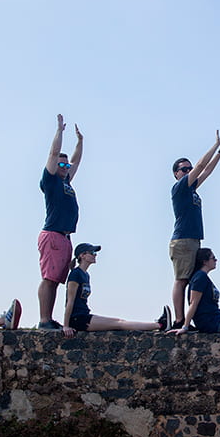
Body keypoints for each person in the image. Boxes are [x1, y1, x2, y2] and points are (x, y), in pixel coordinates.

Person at [169, 131, 220, 328]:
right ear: (177, 173)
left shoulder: (192, 189)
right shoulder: (180, 188)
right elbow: (201, 166)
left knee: (191, 280)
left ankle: (187, 319)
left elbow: (206, 171)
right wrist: (214, 144)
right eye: (184, 169)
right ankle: (178, 320)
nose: (188, 171)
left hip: (193, 238)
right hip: (183, 239)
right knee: (182, 280)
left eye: (189, 169)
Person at [62, 242, 171, 338]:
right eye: (92, 253)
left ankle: (159, 324)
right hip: (77, 319)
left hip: (84, 315)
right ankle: (160, 325)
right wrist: (66, 326)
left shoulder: (85, 275)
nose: (95, 255)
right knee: (119, 324)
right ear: (83, 256)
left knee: (119, 322)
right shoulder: (75, 274)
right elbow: (70, 301)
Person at [36, 114, 83, 330]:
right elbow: (54, 153)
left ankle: (49, 319)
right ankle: (44, 319)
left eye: (65, 164)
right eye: (60, 164)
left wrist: (81, 142)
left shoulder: (66, 181)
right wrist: (59, 132)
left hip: (64, 236)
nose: (64, 166)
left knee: (56, 279)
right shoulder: (51, 180)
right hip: (53, 234)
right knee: (49, 278)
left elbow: (76, 161)